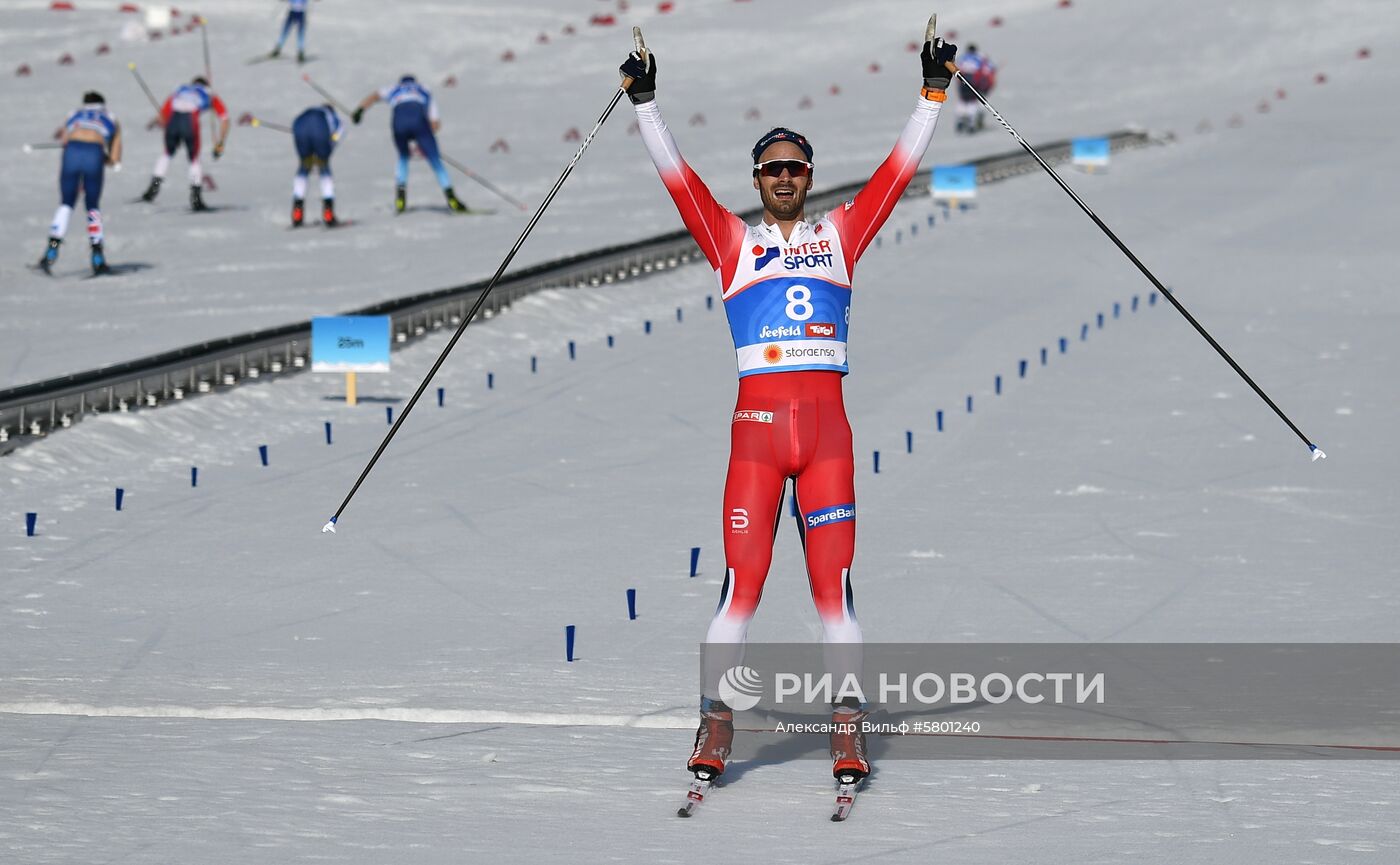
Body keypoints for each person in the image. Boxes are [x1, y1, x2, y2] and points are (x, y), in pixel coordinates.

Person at [619, 32, 957, 786]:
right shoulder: (731, 242)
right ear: (758, 177)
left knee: (832, 591)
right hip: (757, 440)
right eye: (771, 168)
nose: (782, 177)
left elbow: (897, 174)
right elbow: (678, 180)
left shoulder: (840, 235)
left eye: (794, 168)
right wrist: (645, 103)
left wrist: (931, 94)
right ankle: (715, 723)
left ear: (808, 176)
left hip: (826, 438)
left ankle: (846, 727)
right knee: (742, 587)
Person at [351, 75, 466, 214]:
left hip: (398, 123)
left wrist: (359, 111)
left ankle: (400, 199)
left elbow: (374, 96)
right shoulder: (424, 89)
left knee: (403, 157)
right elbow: (435, 124)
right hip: (418, 121)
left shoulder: (394, 88)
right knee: (435, 161)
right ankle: (451, 198)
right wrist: (424, 143)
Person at [38, 91, 122, 275]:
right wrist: (104, 158)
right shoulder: (111, 117)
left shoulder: (73, 113)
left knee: (66, 204)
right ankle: (97, 257)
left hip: (72, 151)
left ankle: (50, 252)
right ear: (103, 105)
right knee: (92, 206)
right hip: (94, 152)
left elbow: (63, 138)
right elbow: (115, 159)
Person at [137, 76, 230, 212]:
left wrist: (155, 123)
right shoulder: (209, 93)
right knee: (194, 160)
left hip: (174, 119)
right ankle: (195, 199)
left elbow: (163, 115)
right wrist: (220, 143)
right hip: (189, 120)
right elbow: (225, 119)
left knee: (167, 154)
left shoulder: (181, 90)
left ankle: (153, 189)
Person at [290, 103, 343, 226]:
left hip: (300, 126)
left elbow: (296, 124)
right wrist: (323, 155)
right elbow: (337, 135)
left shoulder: (310, 110)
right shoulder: (333, 117)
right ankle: (328, 213)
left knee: (304, 166)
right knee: (324, 168)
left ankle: (297, 214)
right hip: (320, 128)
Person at [955, 43, 997, 134]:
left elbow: (956, 67)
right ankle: (971, 123)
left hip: (962, 78)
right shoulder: (979, 57)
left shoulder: (962, 57)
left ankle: (960, 120)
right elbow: (989, 68)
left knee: (963, 100)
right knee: (972, 101)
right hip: (974, 79)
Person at [269, 0, 312, 65]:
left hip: (301, 13)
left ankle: (301, 52)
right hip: (292, 12)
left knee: (300, 33)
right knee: (285, 31)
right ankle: (277, 49)